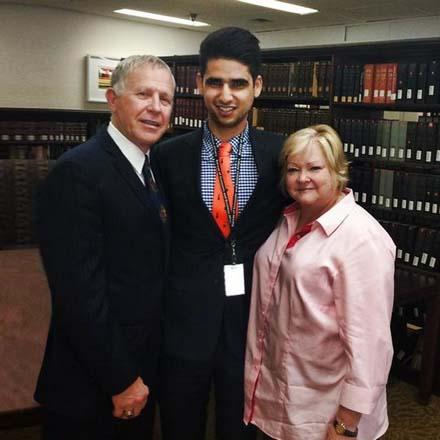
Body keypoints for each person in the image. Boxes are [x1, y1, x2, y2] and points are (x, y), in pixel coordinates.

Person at [34, 55, 174, 440]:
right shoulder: (78, 172)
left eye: (165, 98)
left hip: (138, 372)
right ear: (112, 100)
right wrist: (122, 378)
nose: (155, 108)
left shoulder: (150, 168)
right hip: (94, 383)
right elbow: (79, 294)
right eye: (143, 95)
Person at [155, 27, 285, 440]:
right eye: (215, 82)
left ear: (257, 87)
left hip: (250, 324)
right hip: (183, 322)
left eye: (238, 84)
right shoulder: (167, 155)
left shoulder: (281, 154)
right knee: (180, 424)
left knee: (241, 428)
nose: (226, 95)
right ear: (199, 84)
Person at [244, 124, 395, 440]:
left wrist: (346, 423)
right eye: (294, 169)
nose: (302, 178)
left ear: (338, 171)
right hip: (283, 396)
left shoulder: (361, 239)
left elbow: (370, 344)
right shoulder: (287, 218)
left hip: (326, 411)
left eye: (315, 168)